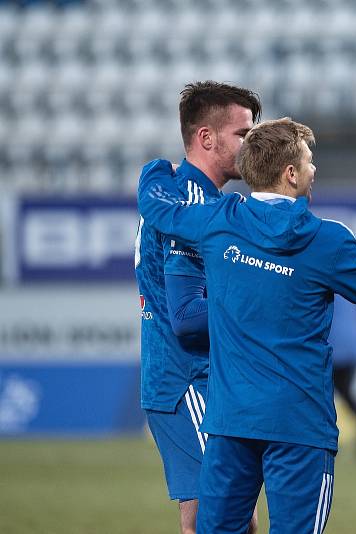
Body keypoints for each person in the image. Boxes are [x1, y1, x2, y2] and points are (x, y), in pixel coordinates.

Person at [137, 118, 356, 534]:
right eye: (309, 160)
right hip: (300, 428)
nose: (315, 169)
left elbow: (158, 209)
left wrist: (155, 170)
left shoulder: (216, 221)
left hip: (231, 426)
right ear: (291, 173)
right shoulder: (328, 241)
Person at [134, 81, 261, 534]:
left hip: (206, 377)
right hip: (185, 377)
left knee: (233, 518)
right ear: (206, 138)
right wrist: (260, 310)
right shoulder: (188, 203)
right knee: (213, 519)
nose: (253, 143)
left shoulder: (190, 197)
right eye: (243, 133)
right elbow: (188, 318)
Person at [329, 294, 356, 459]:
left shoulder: (321, 278)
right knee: (346, 393)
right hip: (354, 346)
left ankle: (324, 442)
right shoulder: (351, 277)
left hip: (331, 345)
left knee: (321, 397)